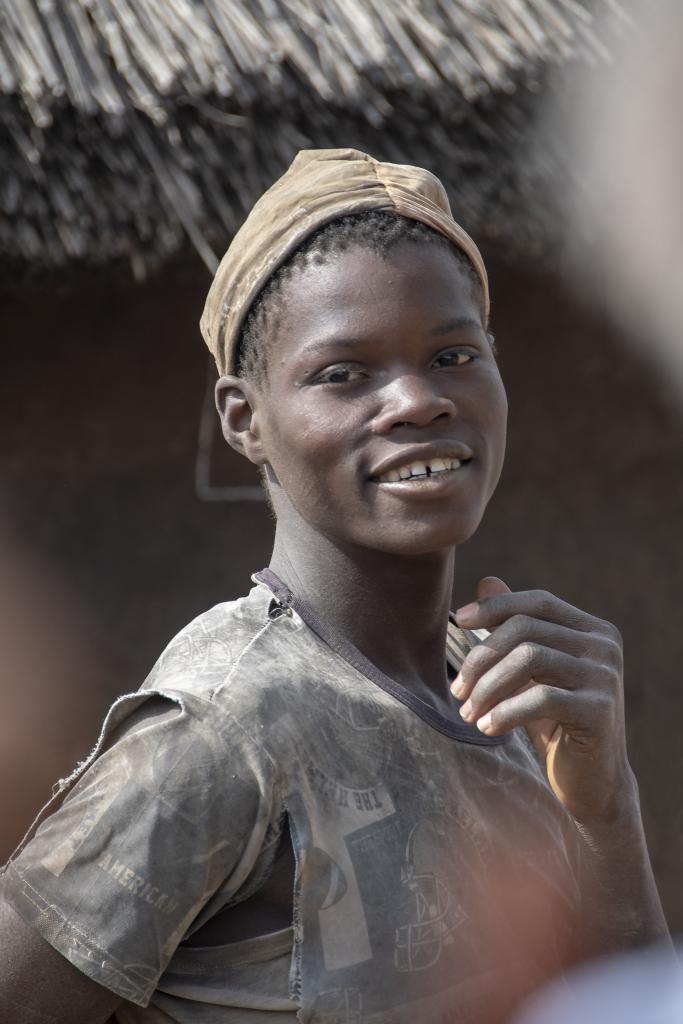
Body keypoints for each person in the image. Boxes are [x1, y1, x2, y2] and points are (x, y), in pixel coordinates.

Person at [0, 149, 671, 1024]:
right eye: (343, 373)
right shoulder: (225, 727)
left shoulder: (511, 701)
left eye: (454, 354)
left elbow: (626, 1004)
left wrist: (605, 802)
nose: (416, 401)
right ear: (245, 418)